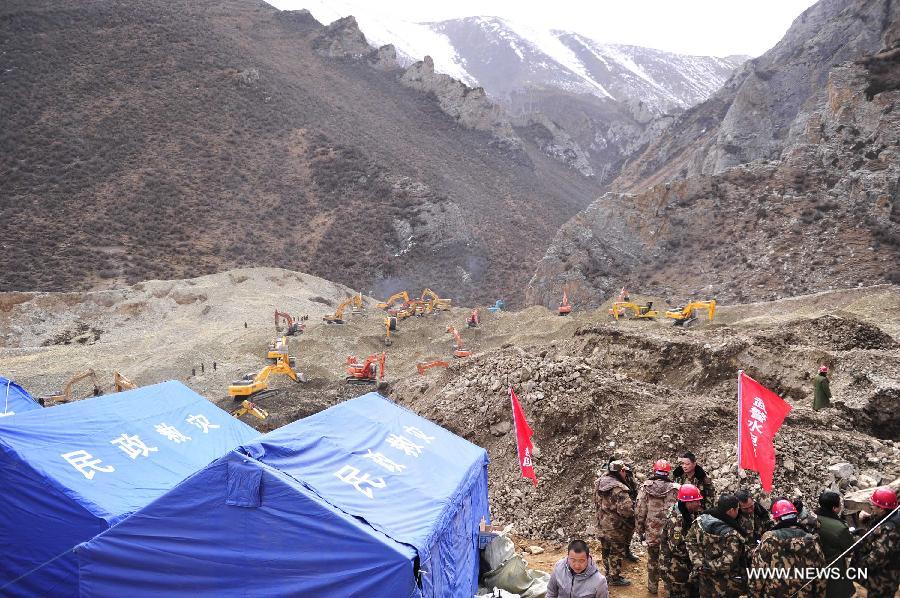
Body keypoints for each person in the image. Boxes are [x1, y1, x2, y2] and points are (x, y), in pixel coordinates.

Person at [750, 499, 826, 597]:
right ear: (796, 517)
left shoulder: (770, 539)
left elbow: (758, 572)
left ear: (776, 519)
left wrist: (753, 594)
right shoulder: (811, 539)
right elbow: (821, 574)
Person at [686, 494, 748, 597]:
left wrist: (699, 563)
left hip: (704, 582)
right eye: (737, 509)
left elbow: (690, 540)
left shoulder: (701, 521)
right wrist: (706, 566)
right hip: (726, 585)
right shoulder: (732, 535)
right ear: (731, 510)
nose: (738, 511)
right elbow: (727, 563)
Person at [636, 459, 678, 595]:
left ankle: (652, 587)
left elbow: (640, 511)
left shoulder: (645, 487)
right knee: (668, 560)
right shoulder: (676, 489)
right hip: (670, 533)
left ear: (654, 471)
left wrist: (640, 530)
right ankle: (668, 589)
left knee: (653, 559)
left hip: (652, 531)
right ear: (668, 473)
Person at [851, 487, 899, 598]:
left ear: (881, 509)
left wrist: (858, 564)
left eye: (873, 505)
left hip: (882, 580)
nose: (871, 507)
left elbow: (875, 559)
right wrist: (869, 519)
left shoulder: (890, 531)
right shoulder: (889, 515)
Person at [594, 460, 635, 586]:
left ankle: (607, 574)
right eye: (624, 471)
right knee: (617, 551)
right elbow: (627, 511)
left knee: (605, 549)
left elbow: (595, 502)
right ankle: (615, 577)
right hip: (615, 526)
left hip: (602, 522)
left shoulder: (599, 482)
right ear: (621, 471)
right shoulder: (619, 489)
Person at [660, 484, 703, 598]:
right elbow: (677, 547)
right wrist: (697, 555)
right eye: (696, 501)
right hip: (675, 567)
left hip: (683, 564)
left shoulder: (687, 512)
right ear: (688, 502)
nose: (699, 503)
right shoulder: (677, 520)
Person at [816, 491, 855, 598]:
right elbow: (850, 548)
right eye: (840, 504)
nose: (841, 506)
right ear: (834, 508)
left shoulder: (813, 518)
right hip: (833, 567)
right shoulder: (839, 528)